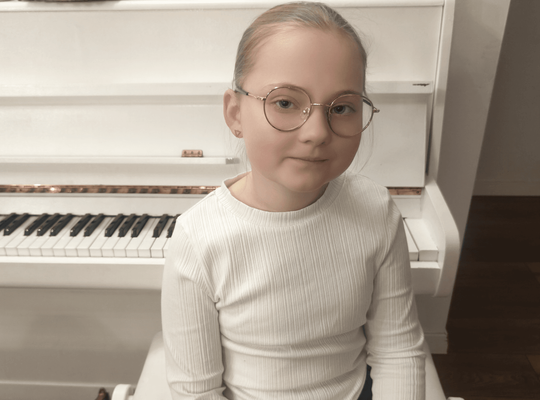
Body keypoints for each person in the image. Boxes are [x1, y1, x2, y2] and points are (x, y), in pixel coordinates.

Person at [161, 2, 426, 399]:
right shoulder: (198, 238)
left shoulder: (376, 208)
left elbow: (397, 351)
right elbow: (196, 392)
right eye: (285, 102)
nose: (317, 132)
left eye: (342, 107)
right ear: (235, 112)